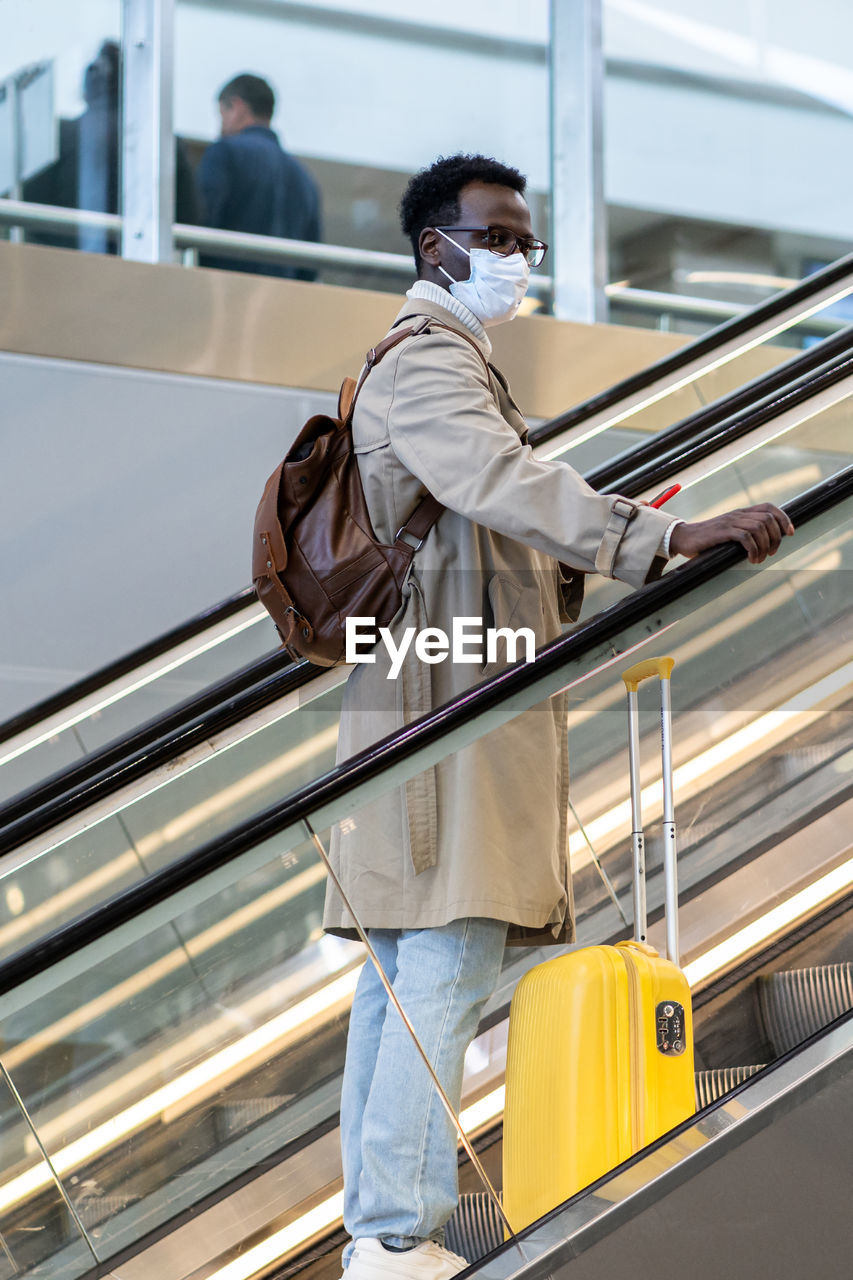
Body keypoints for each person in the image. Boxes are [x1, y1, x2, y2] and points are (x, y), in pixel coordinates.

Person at [323, 153, 794, 1279]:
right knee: (440, 952)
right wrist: (656, 537)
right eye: (497, 236)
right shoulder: (430, 361)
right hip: (444, 705)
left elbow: (485, 517)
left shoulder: (446, 362)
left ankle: (380, 1228)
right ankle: (393, 1232)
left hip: (431, 689)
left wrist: (597, 547)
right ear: (436, 246)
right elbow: (498, 483)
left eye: (525, 239)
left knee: (406, 963)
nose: (516, 258)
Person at [196, 73, 322, 279]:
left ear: (237, 108)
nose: (220, 126)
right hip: (281, 302)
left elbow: (202, 223)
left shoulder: (224, 153)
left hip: (224, 291)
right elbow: (310, 264)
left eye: (221, 115)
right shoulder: (304, 178)